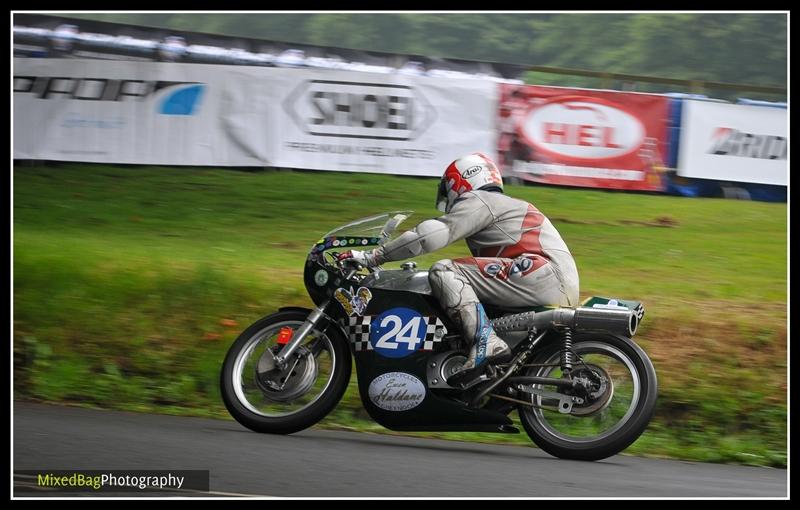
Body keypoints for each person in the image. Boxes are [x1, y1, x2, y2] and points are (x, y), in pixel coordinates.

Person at [337, 153, 580, 383]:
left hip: (541, 274)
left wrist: (374, 257)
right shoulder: (505, 204)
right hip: (552, 280)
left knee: (445, 271)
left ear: (461, 181)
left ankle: (487, 342)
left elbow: (429, 236)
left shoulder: (481, 200)